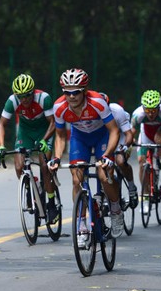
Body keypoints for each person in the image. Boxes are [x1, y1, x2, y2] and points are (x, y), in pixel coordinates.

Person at [46, 69, 123, 243]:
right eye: (67, 92)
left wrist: (108, 155)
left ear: (84, 90)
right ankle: (81, 224)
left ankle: (116, 210)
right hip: (79, 138)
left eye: (76, 92)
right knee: (76, 179)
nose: (71, 96)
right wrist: (57, 158)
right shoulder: (59, 107)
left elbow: (114, 130)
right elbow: (60, 135)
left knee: (104, 175)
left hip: (101, 136)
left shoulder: (97, 102)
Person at [0, 74, 58, 223]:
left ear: (33, 92)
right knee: (19, 166)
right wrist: (1, 146)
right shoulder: (12, 101)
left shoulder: (44, 98)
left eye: (27, 96)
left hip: (44, 131)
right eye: (20, 96)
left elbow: (53, 123)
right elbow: (0, 124)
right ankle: (33, 188)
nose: (24, 100)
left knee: (45, 165)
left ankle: (51, 203)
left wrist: (44, 140)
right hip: (25, 131)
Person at [130, 90, 161, 214]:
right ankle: (145, 197)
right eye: (148, 110)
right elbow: (130, 134)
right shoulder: (138, 114)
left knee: (159, 141)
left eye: (153, 110)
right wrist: (130, 144)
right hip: (146, 133)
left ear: (159, 108)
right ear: (143, 108)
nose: (150, 114)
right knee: (141, 162)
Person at [99, 92, 137, 209]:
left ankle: (131, 188)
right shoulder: (94, 113)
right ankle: (107, 193)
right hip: (106, 138)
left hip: (121, 137)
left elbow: (128, 134)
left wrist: (125, 146)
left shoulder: (117, 111)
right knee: (102, 166)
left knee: (120, 161)